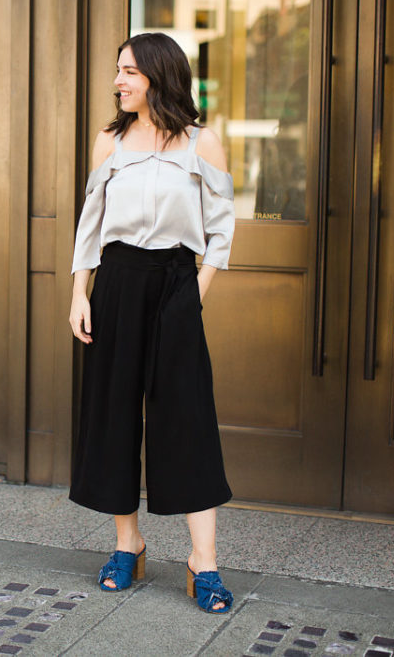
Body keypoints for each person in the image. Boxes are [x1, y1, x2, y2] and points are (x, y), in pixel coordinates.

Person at [68, 32, 235, 613]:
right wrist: (79, 293)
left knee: (186, 417)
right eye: (118, 71)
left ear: (159, 76)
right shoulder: (108, 142)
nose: (118, 81)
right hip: (115, 281)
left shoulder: (202, 143)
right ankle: (127, 543)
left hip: (175, 283)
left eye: (129, 72)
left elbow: (221, 230)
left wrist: (194, 296)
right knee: (114, 414)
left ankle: (203, 561)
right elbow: (90, 224)